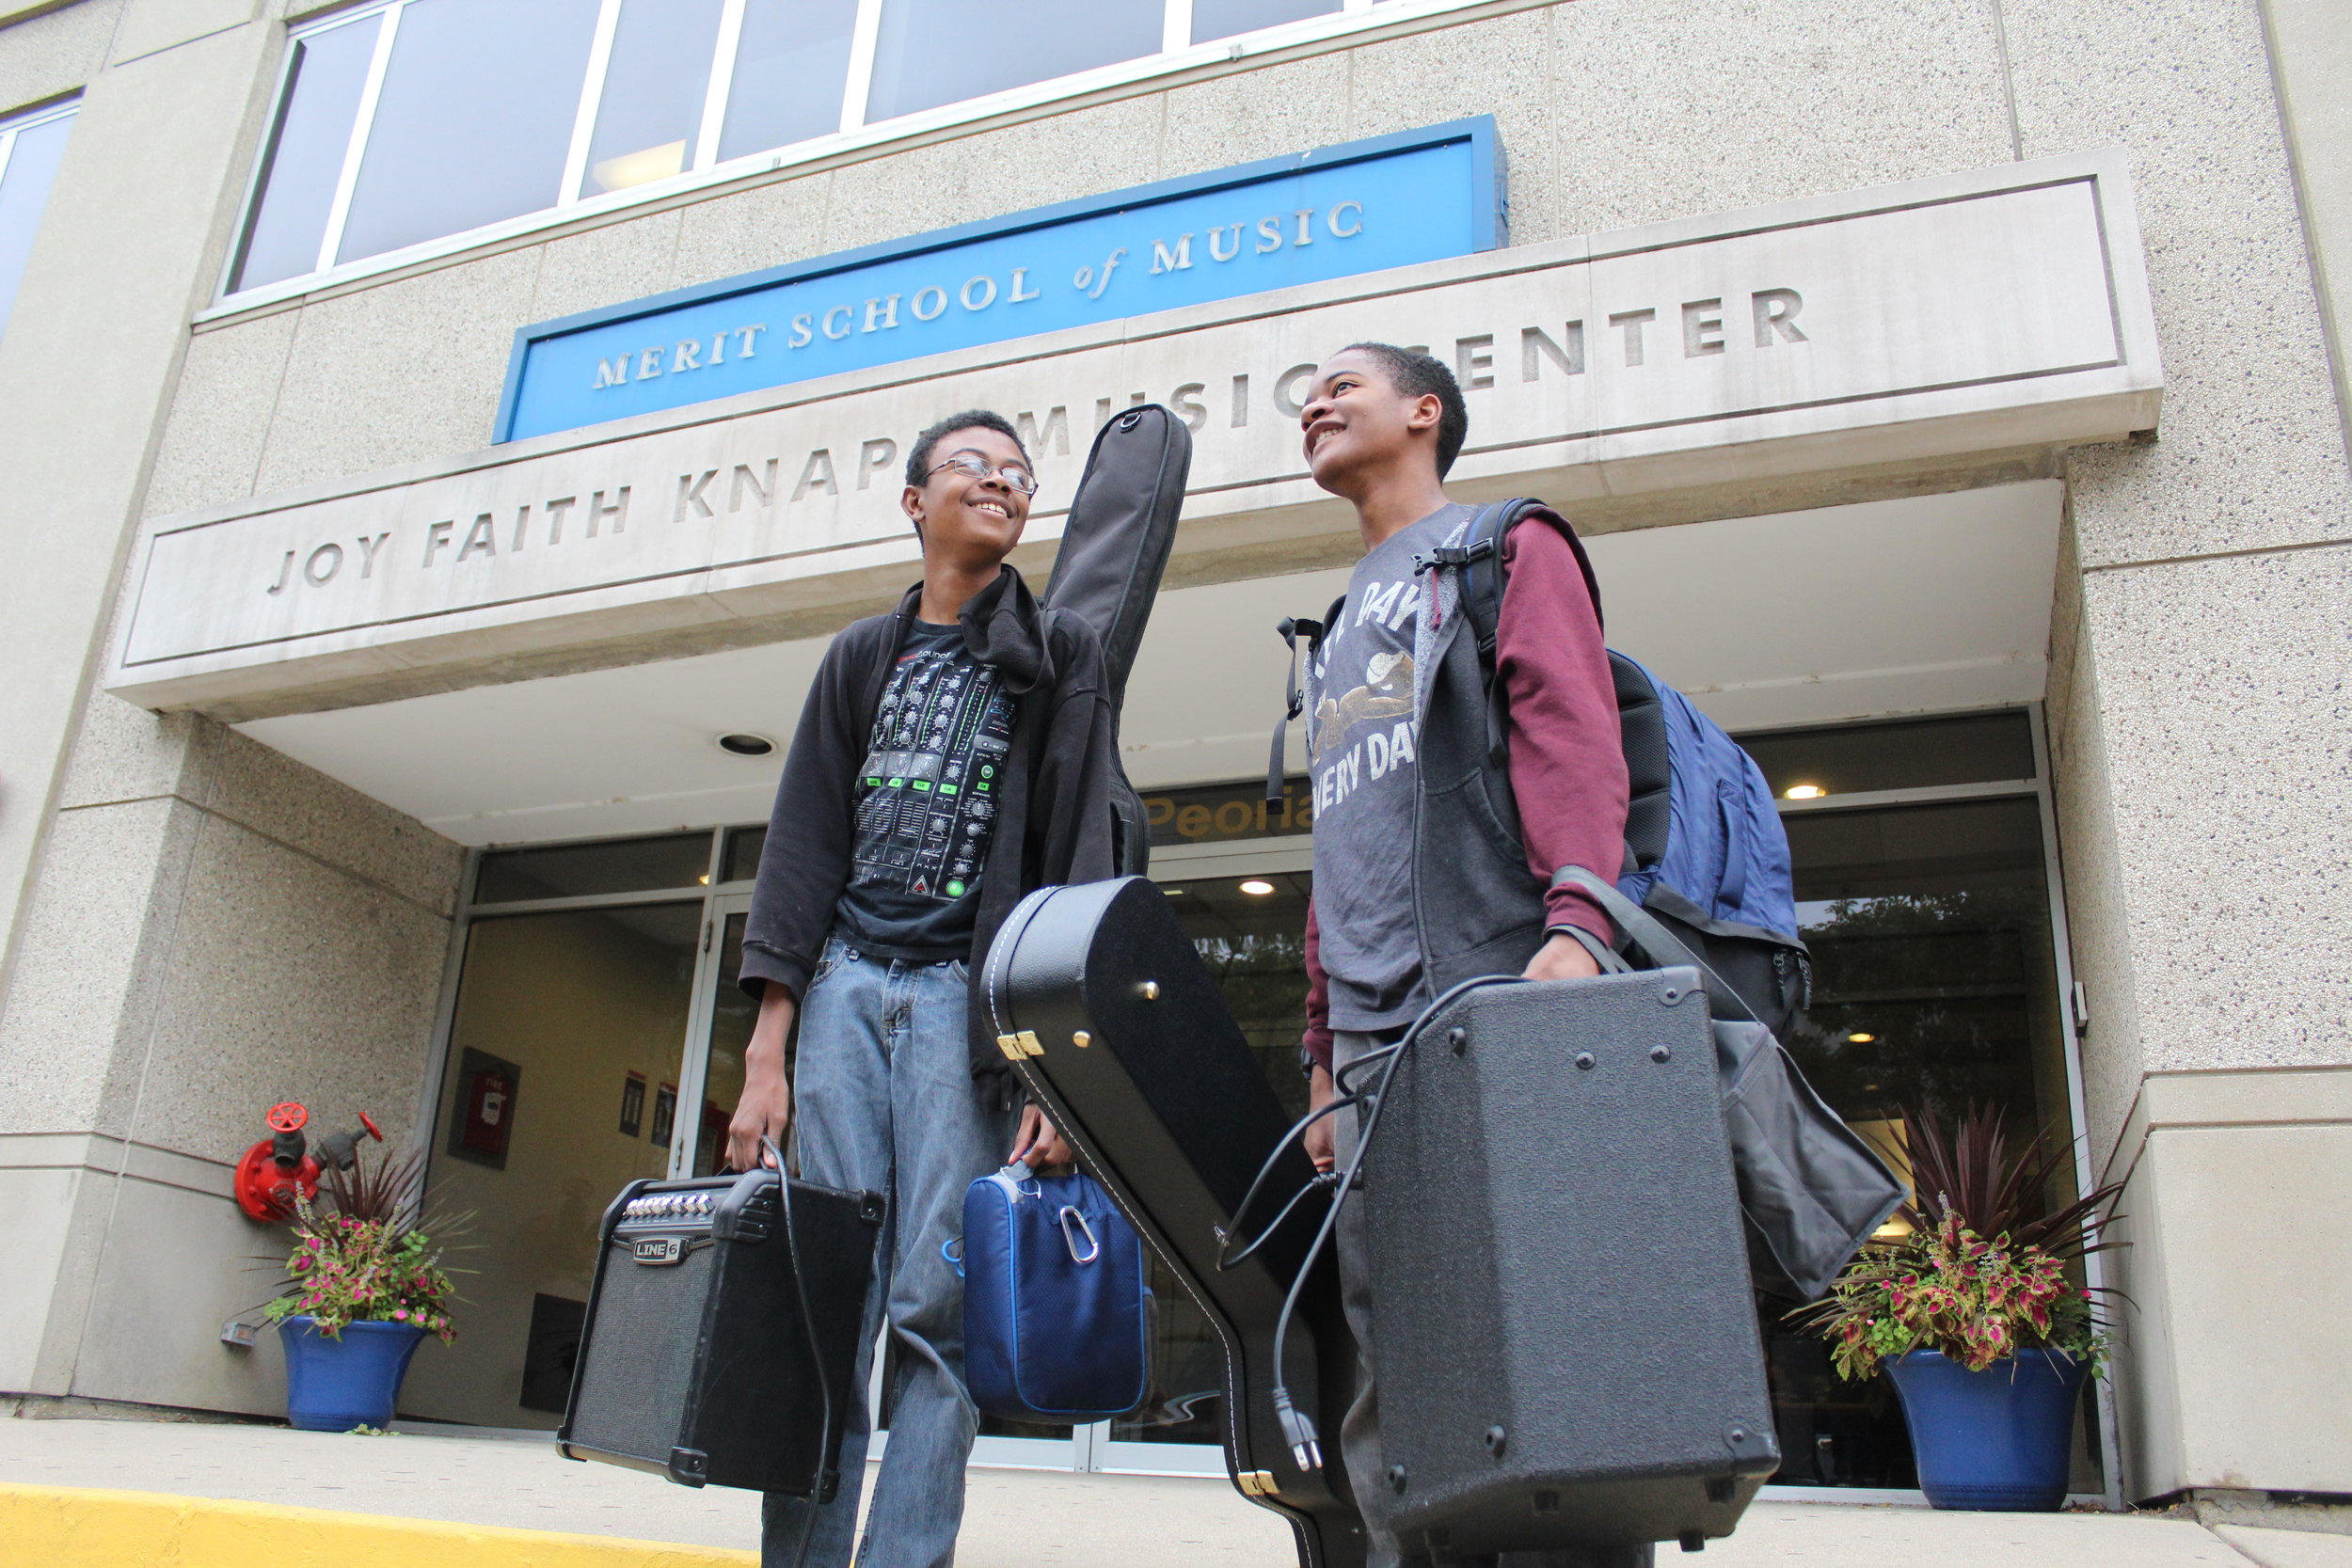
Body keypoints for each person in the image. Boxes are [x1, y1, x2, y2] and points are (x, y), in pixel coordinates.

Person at [726, 410, 1119, 1568]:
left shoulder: (1056, 655)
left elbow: (1076, 858)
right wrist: (766, 1049)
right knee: (822, 1304)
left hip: (963, 1005)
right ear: (915, 502)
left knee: (930, 1315)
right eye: (973, 466)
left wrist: (1061, 1068)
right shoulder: (862, 653)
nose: (1000, 482)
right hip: (845, 987)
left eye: (1018, 474)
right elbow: (800, 844)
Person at [1291, 344, 1631, 1568]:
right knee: (1400, 1364)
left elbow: (1569, 731)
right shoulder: (1335, 631)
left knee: (1545, 1353)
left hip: (1497, 999)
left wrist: (1579, 923)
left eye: (1343, 385)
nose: (1315, 405)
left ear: (1424, 411)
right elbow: (1344, 848)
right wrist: (1326, 1054)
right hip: (1379, 1050)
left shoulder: (1504, 543)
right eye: (1305, 397)